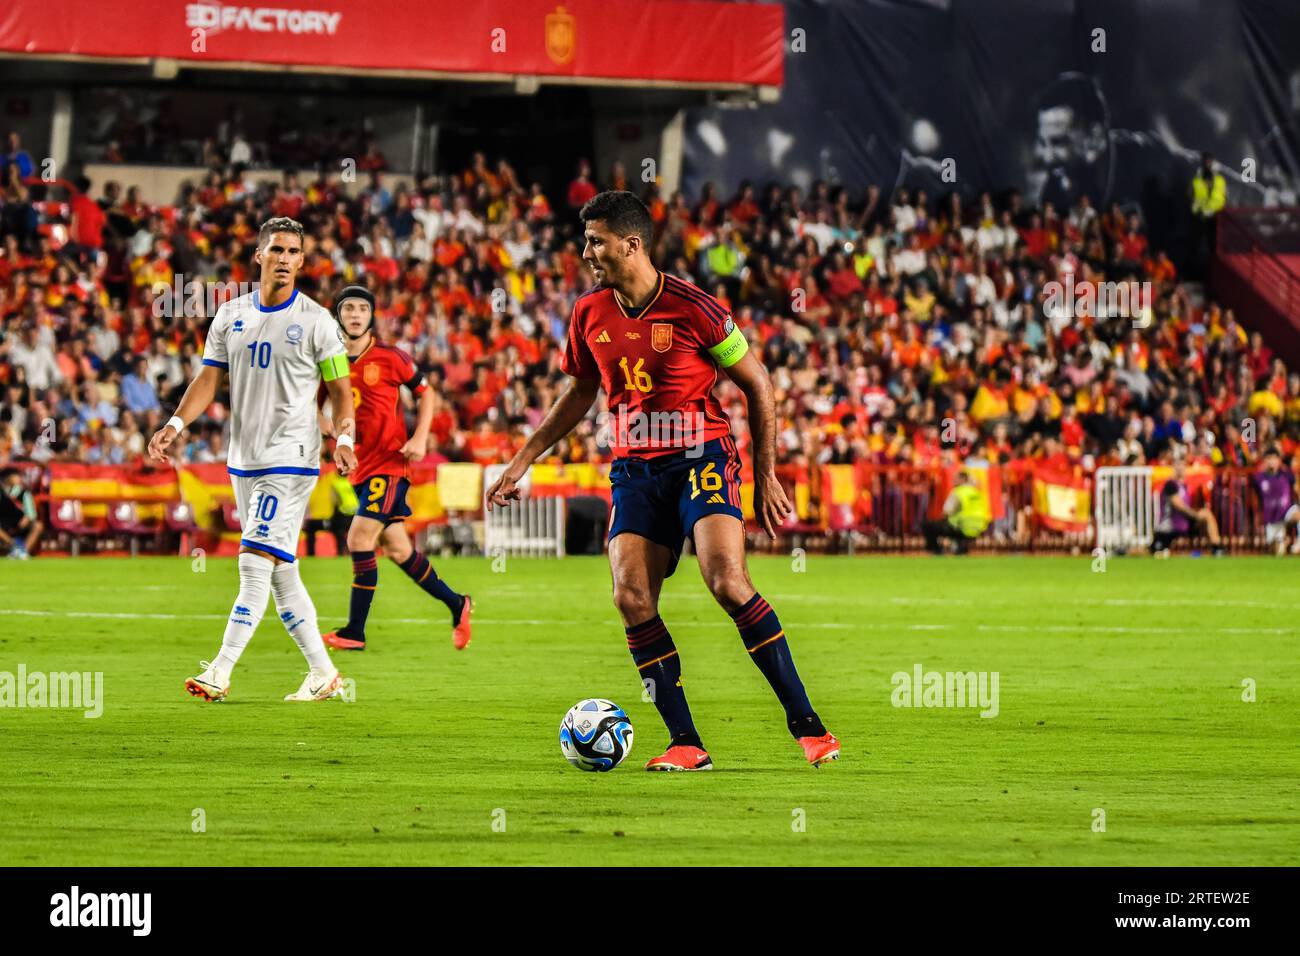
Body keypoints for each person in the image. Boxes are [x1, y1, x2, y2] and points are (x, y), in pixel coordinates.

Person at [486, 191, 839, 771]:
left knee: (726, 582)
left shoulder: (696, 307)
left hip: (701, 459)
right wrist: (523, 458)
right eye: (587, 241)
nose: (587, 252)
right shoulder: (588, 313)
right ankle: (686, 742)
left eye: (597, 241)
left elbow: (758, 383)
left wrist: (766, 473)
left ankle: (808, 726)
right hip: (632, 470)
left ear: (632, 243)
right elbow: (579, 391)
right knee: (630, 597)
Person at [147, 216, 358, 702]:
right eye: (276, 250)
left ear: (303, 261)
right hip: (244, 458)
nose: (285, 259)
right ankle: (322, 672)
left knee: (252, 562)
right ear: (259, 256)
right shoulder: (230, 315)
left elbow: (341, 394)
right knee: (281, 571)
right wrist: (175, 425)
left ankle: (219, 670)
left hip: (292, 457)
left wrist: (344, 440)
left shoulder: (318, 322)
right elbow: (207, 380)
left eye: (293, 252)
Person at [319, 284, 472, 652]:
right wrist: (326, 430)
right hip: (359, 467)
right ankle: (457, 603)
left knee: (358, 539)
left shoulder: (391, 357)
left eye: (362, 308)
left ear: (371, 316)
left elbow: (427, 392)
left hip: (389, 465)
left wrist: (420, 437)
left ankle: (355, 632)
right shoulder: (329, 359)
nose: (355, 314)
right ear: (338, 315)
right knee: (399, 550)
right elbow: (318, 405)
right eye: (348, 308)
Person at [1152, 458, 1224, 556]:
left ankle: (1216, 546)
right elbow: (1179, 506)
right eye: (1177, 465)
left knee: (1207, 514)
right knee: (1204, 515)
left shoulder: (1185, 486)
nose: (1180, 468)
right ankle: (1214, 547)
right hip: (1170, 527)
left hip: (1183, 523)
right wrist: (1195, 515)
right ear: (1173, 468)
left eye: (1182, 466)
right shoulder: (1170, 484)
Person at [923, 469, 990, 555]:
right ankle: (960, 546)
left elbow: (946, 512)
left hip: (962, 527)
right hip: (980, 527)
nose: (953, 480)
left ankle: (936, 550)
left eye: (955, 478)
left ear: (962, 479)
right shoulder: (976, 492)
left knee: (928, 525)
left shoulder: (958, 492)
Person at [1252, 446, 1299, 555]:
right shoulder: (1259, 478)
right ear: (1264, 461)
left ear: (1279, 460)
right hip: (1272, 518)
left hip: (1287, 511)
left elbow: (1296, 490)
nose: (1271, 462)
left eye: (1274, 458)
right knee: (1276, 551)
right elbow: (1256, 499)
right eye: (1268, 459)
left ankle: (1298, 543)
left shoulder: (1287, 475)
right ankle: (1283, 542)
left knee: (1298, 515)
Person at [0, 467, 42, 559]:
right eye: (16, 476)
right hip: (3, 524)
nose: (19, 479)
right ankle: (14, 546)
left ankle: (23, 551)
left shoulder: (24, 493)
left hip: (20, 523)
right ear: (7, 478)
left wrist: (27, 518)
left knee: (38, 526)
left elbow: (31, 513)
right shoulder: (1, 493)